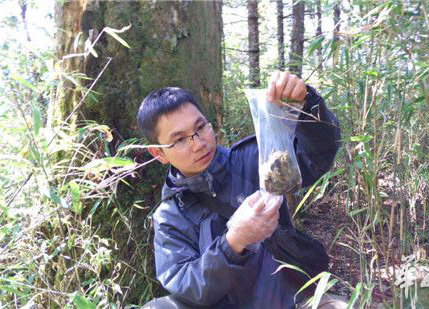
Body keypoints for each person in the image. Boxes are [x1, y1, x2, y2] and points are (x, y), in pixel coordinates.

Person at [137, 71, 342, 308]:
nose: (198, 143)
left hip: (290, 300)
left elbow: (316, 157)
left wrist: (307, 102)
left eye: (200, 127)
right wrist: (234, 242)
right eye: (180, 140)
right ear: (159, 153)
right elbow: (187, 285)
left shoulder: (254, 159)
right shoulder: (170, 216)